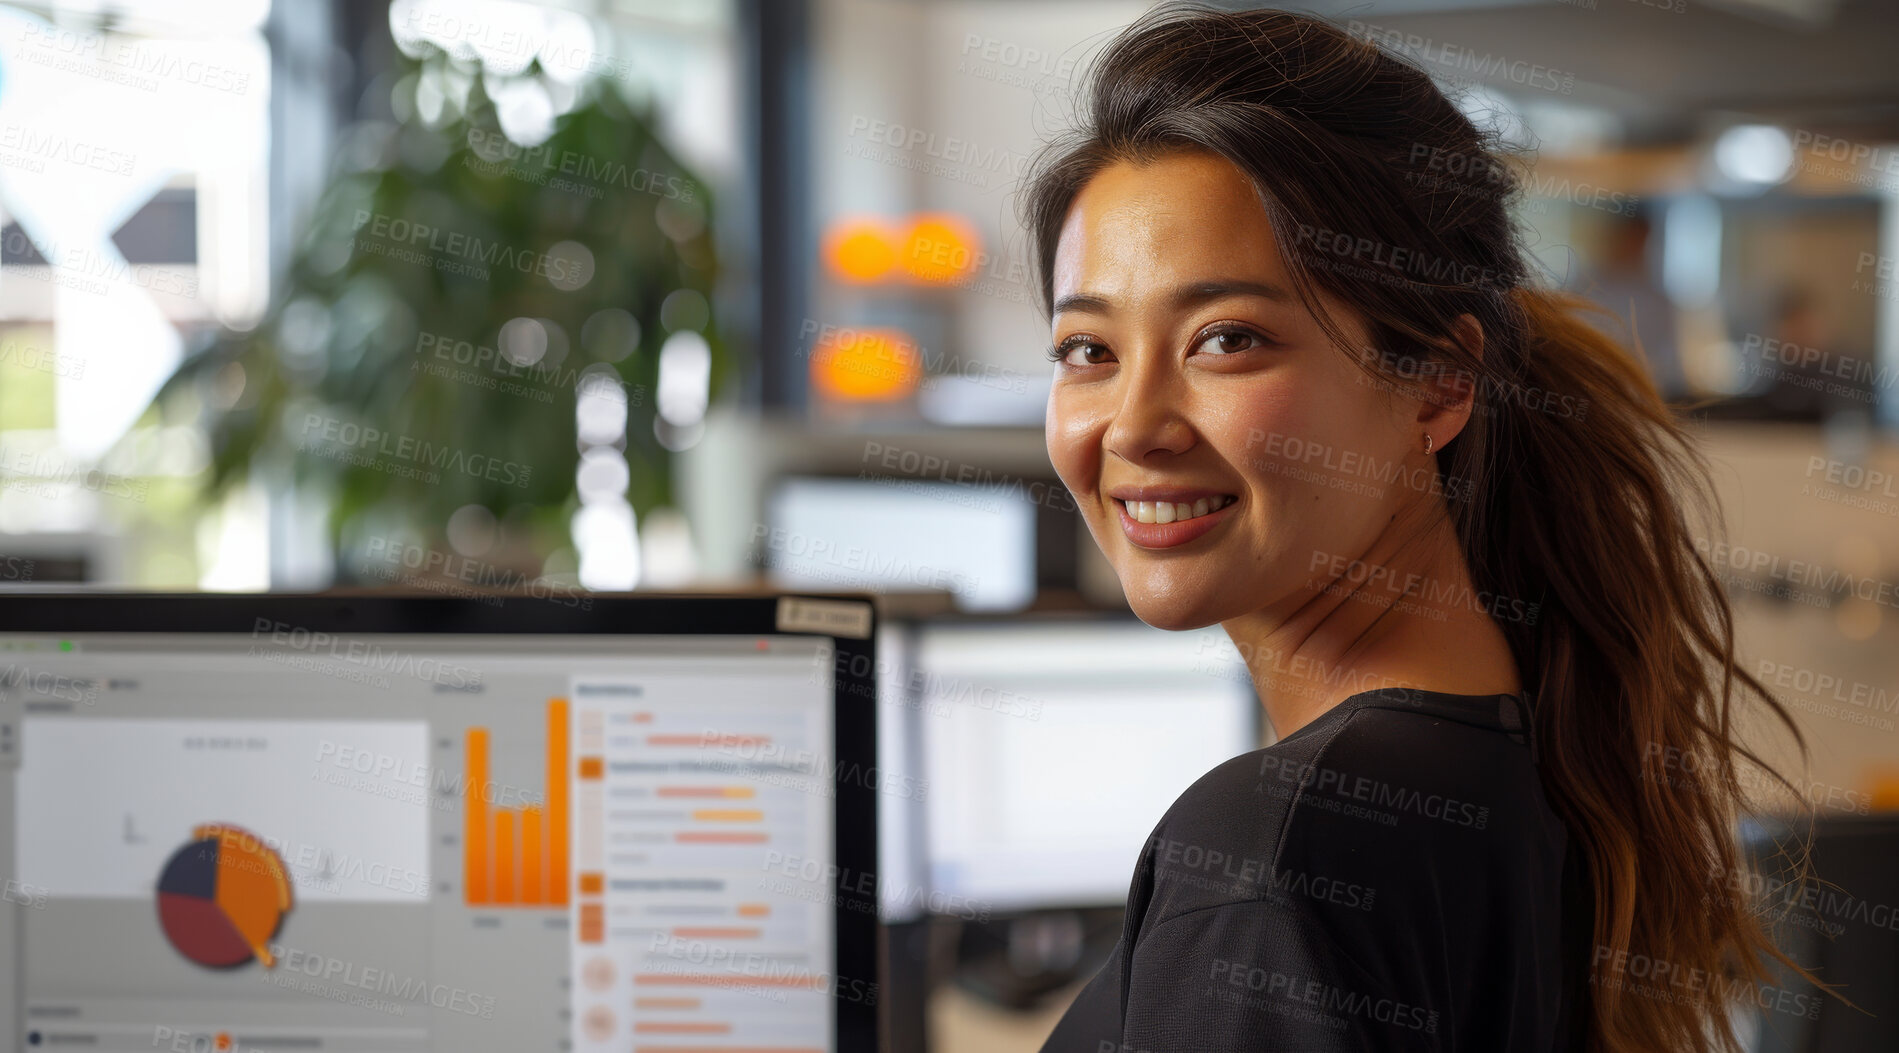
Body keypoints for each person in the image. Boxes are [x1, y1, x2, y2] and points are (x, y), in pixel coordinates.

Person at [1022, 6, 1819, 1052]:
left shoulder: (1273, 857)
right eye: (1089, 350)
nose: (1134, 424)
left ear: (1438, 384)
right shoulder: (1524, 758)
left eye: (1226, 339)